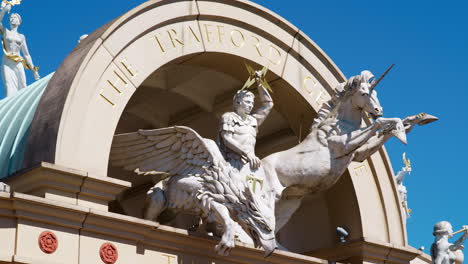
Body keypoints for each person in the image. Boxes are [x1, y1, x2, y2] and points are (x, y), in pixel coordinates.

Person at [218, 70, 273, 172]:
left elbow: (268, 104)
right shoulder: (228, 117)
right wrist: (247, 153)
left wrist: (259, 83)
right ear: (238, 102)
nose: (251, 105)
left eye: (252, 103)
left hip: (250, 164)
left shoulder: (253, 120)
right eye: (247, 102)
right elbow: (227, 139)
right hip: (232, 163)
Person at [0, 2, 39, 97]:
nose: (12, 19)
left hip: (18, 62)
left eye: (15, 17)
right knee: (9, 85)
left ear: (19, 22)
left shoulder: (21, 37)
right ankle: (9, 106)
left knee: (22, 85)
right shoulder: (6, 32)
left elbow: (26, 54)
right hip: (7, 61)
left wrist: (34, 70)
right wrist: (4, 11)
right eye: (11, 18)